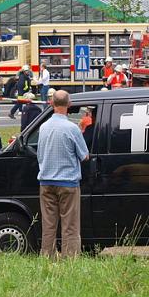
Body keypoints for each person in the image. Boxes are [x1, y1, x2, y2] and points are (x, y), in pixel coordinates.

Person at [37, 90, 89, 259]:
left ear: (52, 103)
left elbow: (39, 155)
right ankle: (70, 259)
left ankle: (48, 257)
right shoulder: (72, 128)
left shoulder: (43, 127)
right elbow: (84, 156)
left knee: (49, 225)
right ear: (69, 104)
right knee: (70, 226)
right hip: (68, 183)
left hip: (46, 182)